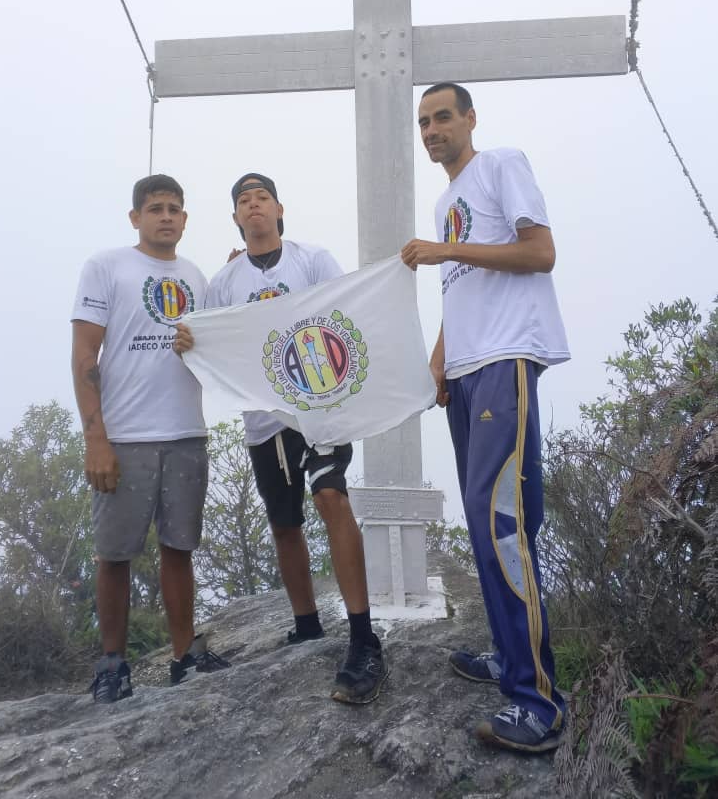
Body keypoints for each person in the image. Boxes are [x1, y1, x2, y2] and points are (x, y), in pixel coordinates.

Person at [174, 172, 388, 704]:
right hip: (264, 422)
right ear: (235, 218)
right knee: (284, 521)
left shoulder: (311, 260)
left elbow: (348, 308)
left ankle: (363, 638)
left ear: (279, 208)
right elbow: (205, 334)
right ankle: (308, 623)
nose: (254, 206)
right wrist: (187, 339)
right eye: (243, 201)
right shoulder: (225, 280)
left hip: (318, 408)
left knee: (330, 495)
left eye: (262, 197)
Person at [401, 84, 570, 754]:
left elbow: (540, 252)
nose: (433, 128)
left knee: (499, 521)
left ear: (469, 119)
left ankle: (538, 704)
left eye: (444, 116)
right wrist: (440, 362)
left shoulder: (501, 165)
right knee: (497, 519)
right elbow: (461, 294)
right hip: (468, 373)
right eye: (424, 121)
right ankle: (509, 655)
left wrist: (447, 252)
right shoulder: (447, 202)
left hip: (505, 362)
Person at [71, 174, 229, 704]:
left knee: (179, 548)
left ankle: (185, 656)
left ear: (185, 219)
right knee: (114, 554)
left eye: (175, 208)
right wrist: (97, 439)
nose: (166, 216)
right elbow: (83, 357)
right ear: (135, 217)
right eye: (155, 208)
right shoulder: (106, 266)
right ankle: (112, 664)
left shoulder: (196, 277)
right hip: (126, 436)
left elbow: (211, 345)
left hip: (186, 431)